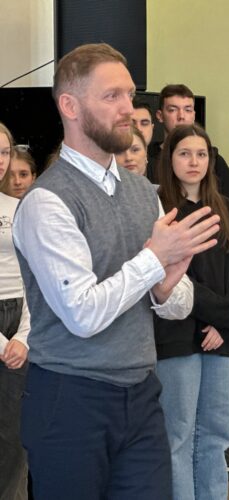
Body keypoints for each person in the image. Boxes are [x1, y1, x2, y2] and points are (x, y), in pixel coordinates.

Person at [12, 43, 220, 500]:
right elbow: (82, 314)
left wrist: (164, 289)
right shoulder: (46, 201)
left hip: (141, 393)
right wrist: (152, 262)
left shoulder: (143, 193)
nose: (129, 108)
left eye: (129, 94)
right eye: (112, 96)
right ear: (70, 106)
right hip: (70, 398)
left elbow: (176, 303)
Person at [155, 123, 229, 500]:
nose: (193, 162)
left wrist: (226, 323)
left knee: (216, 435)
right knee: (178, 435)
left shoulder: (227, 209)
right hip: (177, 334)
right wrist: (224, 316)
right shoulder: (160, 210)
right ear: (170, 159)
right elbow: (175, 279)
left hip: (222, 337)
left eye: (201, 154)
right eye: (184, 154)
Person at [150, 84, 229, 214]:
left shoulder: (214, 160)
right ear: (160, 116)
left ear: (194, 115)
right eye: (173, 110)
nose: (181, 116)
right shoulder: (147, 159)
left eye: (188, 110)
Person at [0, 122, 30, 500]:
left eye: (5, 152)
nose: (1, 160)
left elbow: (33, 276)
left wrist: (23, 336)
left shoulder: (20, 208)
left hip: (20, 318)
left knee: (14, 432)